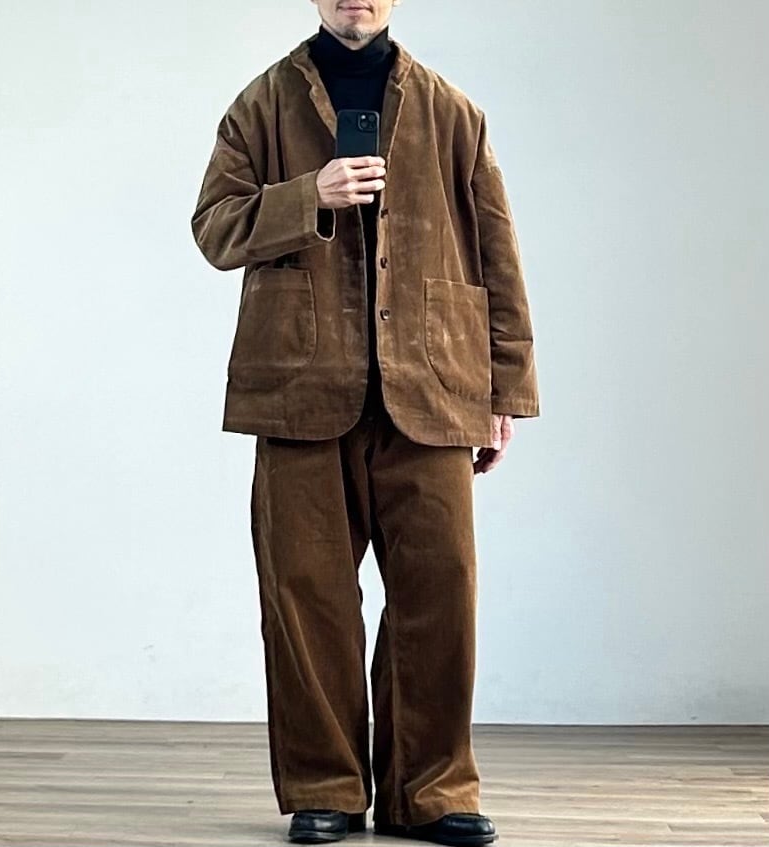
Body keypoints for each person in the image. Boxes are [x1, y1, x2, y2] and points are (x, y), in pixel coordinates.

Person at [190, 1, 540, 843]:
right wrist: (306, 194)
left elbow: (497, 251)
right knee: (305, 597)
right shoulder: (261, 104)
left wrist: (505, 391)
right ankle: (327, 786)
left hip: (433, 384)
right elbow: (214, 228)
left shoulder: (453, 112)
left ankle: (432, 790)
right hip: (299, 386)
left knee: (440, 595)